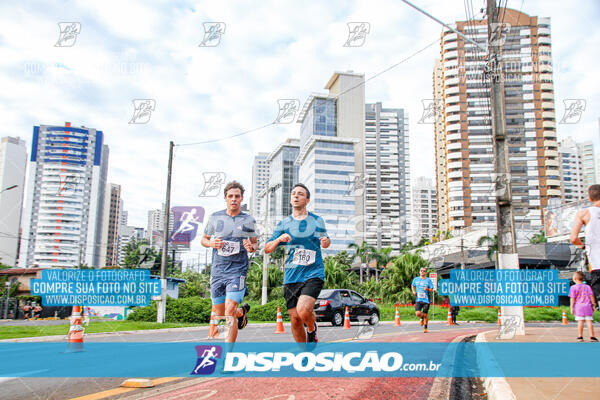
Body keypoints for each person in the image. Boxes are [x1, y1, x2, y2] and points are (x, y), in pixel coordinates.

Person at [265, 183, 330, 347]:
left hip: (313, 273)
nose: (296, 196)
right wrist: (279, 239)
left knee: (303, 310)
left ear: (307, 200)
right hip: (292, 276)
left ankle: (311, 328)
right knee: (294, 318)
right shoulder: (284, 223)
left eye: (300, 194)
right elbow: (267, 248)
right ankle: (305, 353)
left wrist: (325, 240)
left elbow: (326, 241)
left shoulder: (316, 220)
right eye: (293, 193)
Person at [201, 181, 258, 343]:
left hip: (237, 271)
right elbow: (204, 239)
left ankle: (228, 356)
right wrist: (211, 243)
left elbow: (254, 244)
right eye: (230, 196)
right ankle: (242, 313)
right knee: (220, 313)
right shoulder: (215, 217)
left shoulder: (248, 220)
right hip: (218, 270)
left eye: (237, 196)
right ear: (225, 198)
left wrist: (250, 247)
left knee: (229, 310)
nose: (234, 199)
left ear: (241, 199)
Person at [570, 184, 600, 306]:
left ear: (590, 198)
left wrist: (583, 246)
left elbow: (573, 238)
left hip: (597, 264)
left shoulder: (583, 214)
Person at [569, 271, 598, 342]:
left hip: (579, 307)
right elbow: (591, 296)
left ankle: (580, 336)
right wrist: (593, 305)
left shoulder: (573, 287)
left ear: (575, 278)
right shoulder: (587, 287)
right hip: (588, 306)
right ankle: (592, 336)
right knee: (589, 321)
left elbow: (572, 298)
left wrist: (572, 307)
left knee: (580, 321)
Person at [412, 267, 434, 333]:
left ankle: (425, 327)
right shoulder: (416, 279)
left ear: (426, 272)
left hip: (426, 300)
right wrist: (413, 291)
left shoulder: (428, 280)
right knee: (418, 313)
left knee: (425, 314)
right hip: (418, 299)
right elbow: (412, 285)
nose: (422, 272)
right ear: (419, 272)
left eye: (424, 271)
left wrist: (427, 289)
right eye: (421, 270)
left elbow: (432, 289)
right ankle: (421, 318)